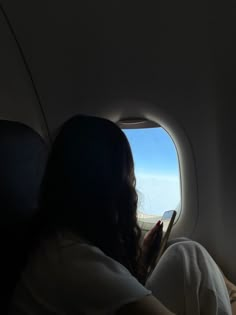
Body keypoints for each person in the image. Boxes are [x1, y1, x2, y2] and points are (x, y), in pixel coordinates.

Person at [9, 115, 235, 315]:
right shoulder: (75, 262)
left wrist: (143, 261)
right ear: (110, 187)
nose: (132, 188)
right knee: (190, 258)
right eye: (129, 177)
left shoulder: (57, 242)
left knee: (183, 248)